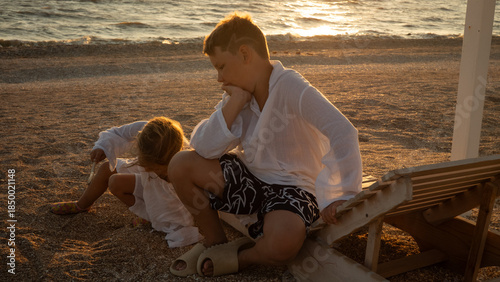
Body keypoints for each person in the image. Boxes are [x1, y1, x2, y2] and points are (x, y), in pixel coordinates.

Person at [168, 12, 363, 276]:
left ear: (245, 54)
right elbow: (202, 147)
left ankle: (242, 257)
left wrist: (340, 195)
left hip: (295, 189)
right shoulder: (240, 95)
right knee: (180, 164)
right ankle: (215, 242)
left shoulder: (291, 86)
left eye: (221, 66)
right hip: (252, 181)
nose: (219, 78)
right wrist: (235, 103)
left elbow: (342, 131)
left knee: (282, 244)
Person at [49, 117, 203, 248]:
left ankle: (151, 218)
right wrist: (102, 147)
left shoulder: (184, 163)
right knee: (108, 171)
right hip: (149, 181)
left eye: (153, 167)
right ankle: (81, 205)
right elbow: (117, 133)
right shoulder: (149, 132)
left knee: (161, 212)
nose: (149, 168)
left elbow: (188, 210)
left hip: (169, 195)